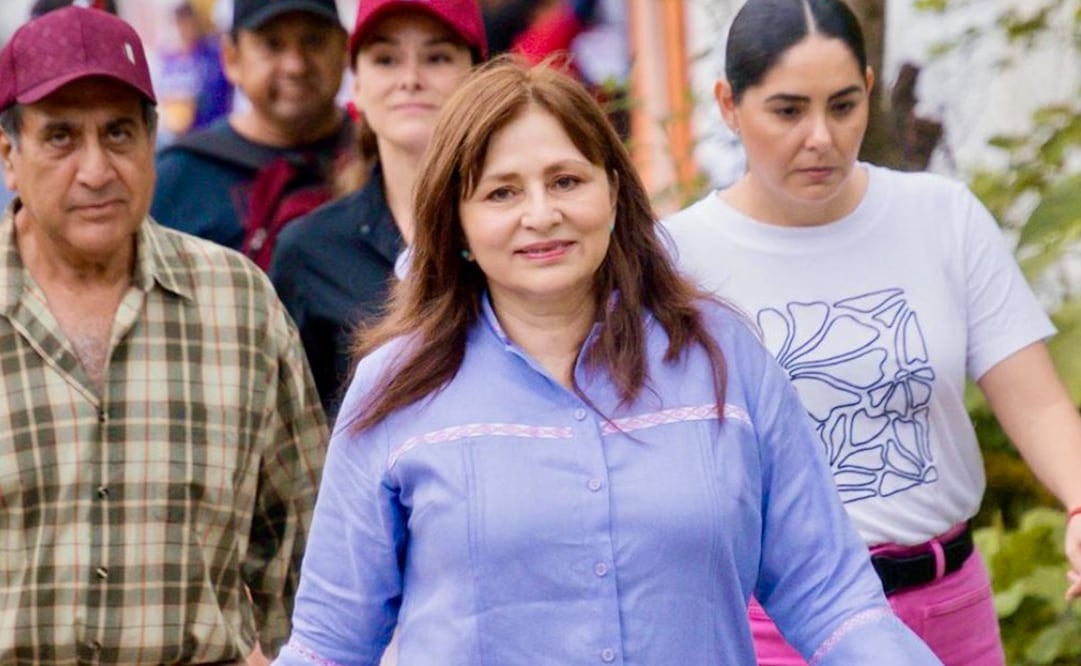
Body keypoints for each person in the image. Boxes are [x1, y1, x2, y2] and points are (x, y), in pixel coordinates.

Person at [270, 58, 941, 665]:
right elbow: (331, 644)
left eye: (566, 180)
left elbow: (830, 596)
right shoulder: (395, 387)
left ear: (615, 195)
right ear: (459, 222)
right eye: (500, 193)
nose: (541, 214)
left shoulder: (722, 359)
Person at [661, 0, 1081, 664]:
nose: (821, 137)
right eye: (787, 110)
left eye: (843, 105)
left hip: (948, 606)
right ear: (727, 104)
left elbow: (1034, 398)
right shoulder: (676, 260)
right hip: (778, 627)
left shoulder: (941, 215)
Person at [0, 7, 326, 664]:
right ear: (9, 155)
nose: (95, 170)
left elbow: (302, 540)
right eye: (61, 137)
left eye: (119, 133)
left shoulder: (238, 304)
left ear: (155, 143)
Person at [268, 0, 488, 416]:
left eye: (437, 57)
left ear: (478, 77)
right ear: (357, 87)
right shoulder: (309, 251)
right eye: (385, 59)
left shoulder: (518, 229)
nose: (410, 79)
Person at [151, 0, 354, 258]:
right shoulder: (179, 176)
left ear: (345, 49)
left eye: (314, 41)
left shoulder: (382, 156)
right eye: (272, 44)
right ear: (232, 57)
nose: (295, 66)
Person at [156, 2, 233, 143]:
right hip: (183, 135)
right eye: (181, 24)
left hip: (215, 129)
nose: (185, 29)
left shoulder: (213, 54)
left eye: (188, 23)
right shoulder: (169, 60)